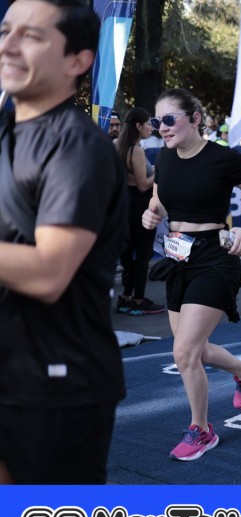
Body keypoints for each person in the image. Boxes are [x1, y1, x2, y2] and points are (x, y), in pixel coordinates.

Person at [0, 0, 127, 484]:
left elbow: (49, 272)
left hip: (55, 387)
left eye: (31, 36)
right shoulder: (7, 132)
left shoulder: (78, 146)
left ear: (78, 60)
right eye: (5, 31)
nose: (8, 46)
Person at [141, 88, 241, 461]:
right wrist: (151, 213)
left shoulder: (223, 158)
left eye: (170, 119)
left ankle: (201, 430)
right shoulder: (164, 157)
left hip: (215, 257)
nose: (162, 127)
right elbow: (158, 200)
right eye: (158, 121)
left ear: (195, 118)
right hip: (176, 256)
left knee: (184, 351)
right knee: (194, 350)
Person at [115, 107, 164, 315]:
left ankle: (126, 297)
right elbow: (143, 185)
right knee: (142, 255)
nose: (151, 129)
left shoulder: (116, 145)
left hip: (122, 205)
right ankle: (138, 299)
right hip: (139, 206)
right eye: (149, 124)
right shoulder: (136, 150)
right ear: (138, 125)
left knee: (127, 255)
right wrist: (160, 172)